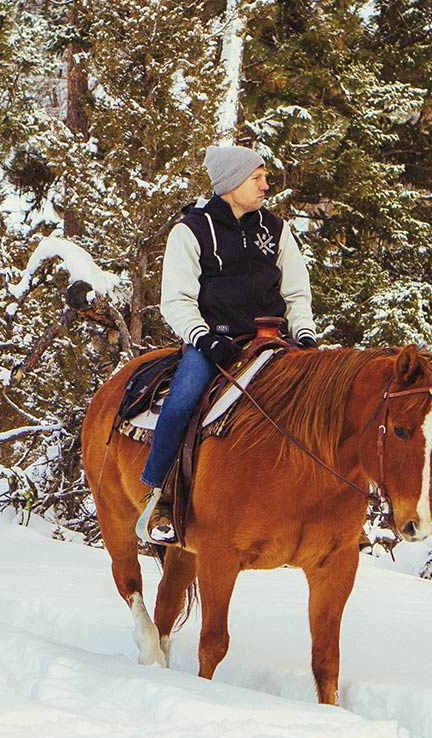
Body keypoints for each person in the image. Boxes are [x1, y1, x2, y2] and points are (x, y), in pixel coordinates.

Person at [138, 144, 319, 544]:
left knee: (324, 403)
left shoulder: (275, 228)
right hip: (215, 343)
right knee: (182, 401)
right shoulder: (191, 231)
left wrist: (303, 333)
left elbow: (296, 292)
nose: (265, 186)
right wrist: (202, 338)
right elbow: (177, 299)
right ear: (230, 183)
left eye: (264, 177)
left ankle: (323, 507)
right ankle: (161, 495)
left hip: (275, 340)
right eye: (257, 178)